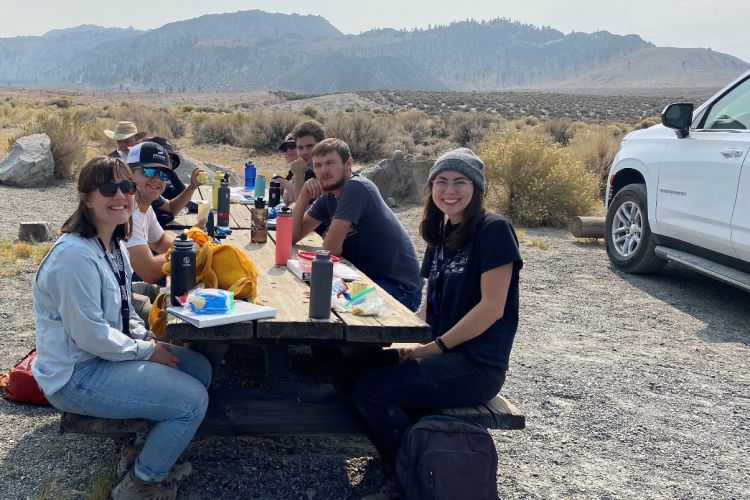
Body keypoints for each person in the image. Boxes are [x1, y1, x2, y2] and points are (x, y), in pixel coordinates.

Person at [31, 156, 211, 499]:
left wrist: (147, 339)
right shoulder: (74, 256)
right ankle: (142, 482)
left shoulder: (113, 245)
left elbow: (124, 310)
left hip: (103, 356)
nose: (120, 195)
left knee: (198, 368)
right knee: (192, 401)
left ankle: (142, 448)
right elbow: (91, 336)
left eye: (126, 186)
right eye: (108, 188)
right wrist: (147, 351)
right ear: (86, 197)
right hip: (76, 375)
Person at [334, 147, 523, 466]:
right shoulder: (442, 234)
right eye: (441, 181)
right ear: (431, 187)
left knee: (372, 392)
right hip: (439, 350)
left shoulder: (494, 230)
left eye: (460, 182)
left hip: (476, 365)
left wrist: (432, 348)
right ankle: (411, 449)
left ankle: (419, 472)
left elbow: (492, 308)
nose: (449, 191)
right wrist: (411, 342)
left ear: (476, 188)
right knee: (346, 372)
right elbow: (428, 306)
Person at [291, 138, 422, 311]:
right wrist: (303, 197)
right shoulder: (329, 197)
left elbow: (329, 251)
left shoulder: (356, 188)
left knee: (322, 305)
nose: (323, 171)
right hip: (365, 279)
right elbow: (291, 236)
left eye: (330, 163)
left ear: (348, 163)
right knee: (309, 298)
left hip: (399, 288)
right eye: (318, 166)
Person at [142, 136, 203, 228]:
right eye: (149, 171)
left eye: (163, 174)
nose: (156, 179)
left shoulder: (151, 194)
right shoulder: (129, 198)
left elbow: (171, 208)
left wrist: (192, 187)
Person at [287, 119, 325, 203]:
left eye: (310, 146)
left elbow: (302, 213)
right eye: (300, 148)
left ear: (322, 145)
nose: (304, 152)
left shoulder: (328, 174)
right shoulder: (308, 173)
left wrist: (298, 176)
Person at [274, 133, 300, 205]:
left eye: (292, 146)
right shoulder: (292, 171)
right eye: (285, 148)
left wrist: (284, 183)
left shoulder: (308, 171)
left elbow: (299, 198)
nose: (288, 150)